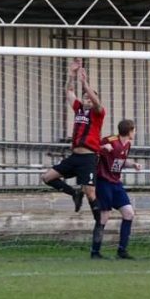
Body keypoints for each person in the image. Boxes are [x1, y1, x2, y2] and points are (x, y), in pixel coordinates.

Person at [42, 60, 105, 218]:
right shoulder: (78, 109)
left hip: (89, 157)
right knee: (47, 177)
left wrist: (85, 84)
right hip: (75, 157)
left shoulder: (98, 113)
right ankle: (74, 194)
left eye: (90, 98)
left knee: (91, 193)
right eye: (85, 97)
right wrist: (71, 75)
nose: (88, 99)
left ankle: (99, 224)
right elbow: (69, 91)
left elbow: (97, 102)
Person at [91, 119, 142, 260]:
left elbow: (120, 161)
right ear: (130, 131)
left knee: (129, 213)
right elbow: (93, 147)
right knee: (104, 216)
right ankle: (95, 252)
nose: (135, 133)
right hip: (104, 182)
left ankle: (122, 250)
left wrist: (133, 165)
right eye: (134, 130)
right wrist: (102, 148)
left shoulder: (127, 145)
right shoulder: (110, 140)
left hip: (116, 183)